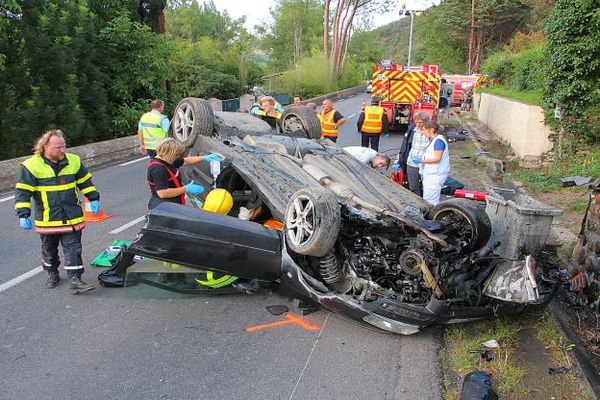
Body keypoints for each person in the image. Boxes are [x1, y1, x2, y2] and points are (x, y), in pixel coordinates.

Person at [15, 130, 100, 293]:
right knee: (49, 250)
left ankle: (75, 279)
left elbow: (85, 182)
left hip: (72, 216)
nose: (62, 150)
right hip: (47, 219)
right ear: (45, 146)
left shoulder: (74, 161)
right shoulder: (31, 166)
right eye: (57, 147)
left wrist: (94, 197)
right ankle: (52, 273)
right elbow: (23, 192)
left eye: (63, 146)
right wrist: (23, 214)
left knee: (73, 249)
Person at [147, 138, 221, 210]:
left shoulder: (167, 159)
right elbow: (162, 193)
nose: (178, 157)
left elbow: (185, 161)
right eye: (177, 155)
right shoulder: (158, 169)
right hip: (165, 209)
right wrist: (186, 188)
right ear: (170, 154)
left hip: (173, 204)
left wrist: (204, 158)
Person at [410, 121, 450, 206]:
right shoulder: (434, 140)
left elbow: (437, 159)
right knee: (430, 199)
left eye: (424, 130)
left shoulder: (438, 141)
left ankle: (431, 217)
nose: (422, 132)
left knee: (430, 201)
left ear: (431, 130)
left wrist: (421, 160)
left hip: (435, 176)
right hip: (432, 174)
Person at [396, 112, 430, 197]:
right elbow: (405, 145)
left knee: (427, 187)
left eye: (421, 122)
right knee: (413, 187)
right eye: (417, 122)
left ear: (426, 122)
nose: (418, 124)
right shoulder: (412, 130)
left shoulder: (430, 132)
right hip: (411, 163)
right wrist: (401, 160)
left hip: (425, 164)